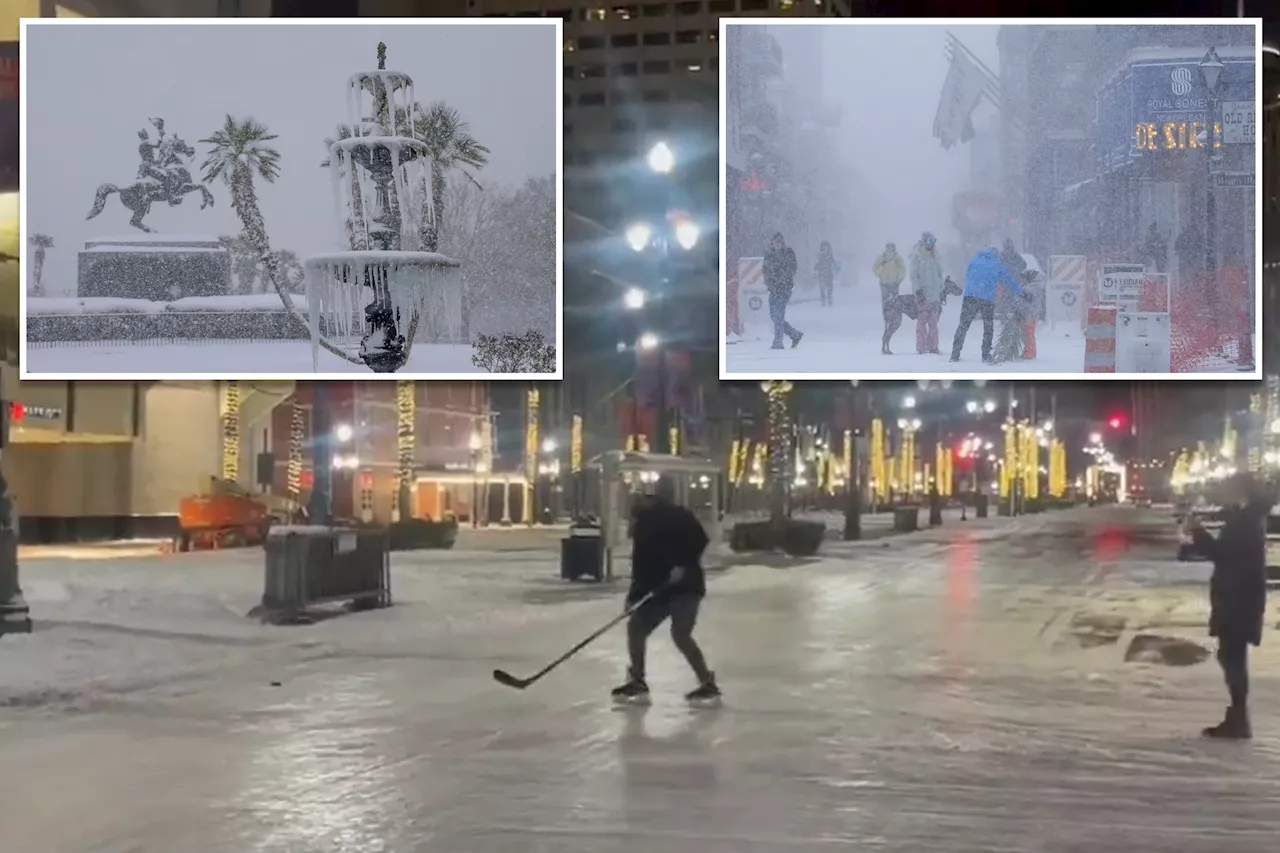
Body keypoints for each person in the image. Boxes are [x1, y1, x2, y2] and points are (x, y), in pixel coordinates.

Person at [612, 474, 720, 706]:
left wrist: (683, 565)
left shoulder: (676, 517)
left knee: (680, 634)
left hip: (685, 588)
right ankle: (638, 679)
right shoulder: (646, 523)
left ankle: (706, 682)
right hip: (659, 589)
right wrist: (633, 597)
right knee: (637, 629)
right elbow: (641, 565)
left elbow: (699, 541)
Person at [1186, 473, 1271, 739]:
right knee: (1231, 656)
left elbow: (1223, 554)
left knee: (1232, 657)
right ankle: (1237, 716)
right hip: (1239, 596)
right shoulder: (1248, 517)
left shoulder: (1245, 521)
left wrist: (1198, 532)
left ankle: (1238, 719)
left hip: (1237, 598)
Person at [950, 246, 1027, 364]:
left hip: (970, 297)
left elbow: (968, 274)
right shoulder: (996, 264)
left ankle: (955, 354)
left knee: (963, 326)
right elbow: (1008, 280)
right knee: (988, 328)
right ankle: (985, 355)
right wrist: (1021, 293)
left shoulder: (975, 260)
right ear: (996, 255)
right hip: (987, 299)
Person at [763, 233, 803, 350]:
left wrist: (782, 278)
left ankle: (778, 342)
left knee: (779, 315)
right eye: (775, 242)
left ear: (783, 243)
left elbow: (793, 268)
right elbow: (765, 269)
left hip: (784, 289)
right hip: (773, 289)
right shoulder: (769, 254)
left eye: (779, 242)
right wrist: (769, 282)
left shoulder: (788, 253)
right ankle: (795, 335)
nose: (777, 244)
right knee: (774, 316)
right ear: (772, 243)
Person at [909, 232, 945, 355]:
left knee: (934, 322)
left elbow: (940, 274)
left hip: (934, 295)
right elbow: (913, 275)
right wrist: (917, 290)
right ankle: (921, 346)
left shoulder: (935, 255)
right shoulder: (917, 255)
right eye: (929, 241)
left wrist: (941, 289)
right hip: (923, 294)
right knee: (922, 322)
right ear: (924, 241)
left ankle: (933, 346)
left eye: (933, 241)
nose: (931, 244)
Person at [872, 242, 907, 354]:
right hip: (885, 283)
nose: (890, 250)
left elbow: (903, 270)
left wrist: (899, 279)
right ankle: (887, 318)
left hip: (894, 283)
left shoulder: (897, 258)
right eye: (889, 248)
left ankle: (892, 317)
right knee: (887, 302)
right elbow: (875, 268)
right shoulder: (882, 258)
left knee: (893, 302)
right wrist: (881, 274)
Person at [815, 241, 839, 307]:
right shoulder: (826, 255)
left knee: (825, 287)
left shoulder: (825, 255)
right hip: (825, 273)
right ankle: (827, 299)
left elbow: (832, 262)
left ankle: (826, 299)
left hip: (826, 273)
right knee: (826, 287)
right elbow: (833, 262)